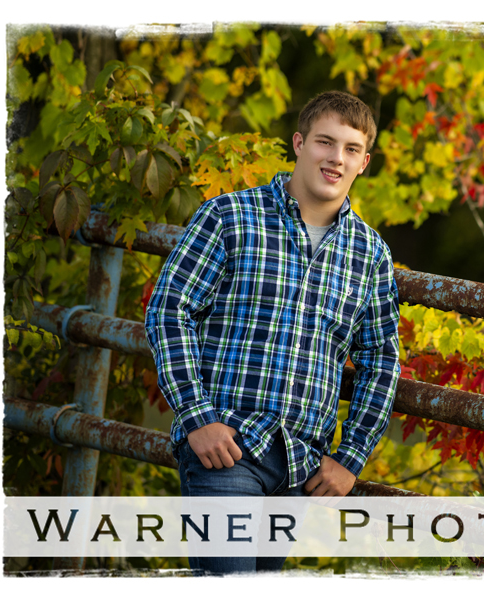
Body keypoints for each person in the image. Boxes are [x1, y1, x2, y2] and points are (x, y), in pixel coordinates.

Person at [144, 91, 401, 574]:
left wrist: (350, 457)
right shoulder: (229, 217)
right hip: (226, 448)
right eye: (325, 142)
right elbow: (169, 311)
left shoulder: (371, 255)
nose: (336, 158)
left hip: (302, 466)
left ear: (364, 162)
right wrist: (198, 418)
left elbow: (381, 361)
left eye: (350, 149)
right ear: (300, 143)